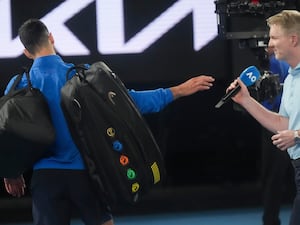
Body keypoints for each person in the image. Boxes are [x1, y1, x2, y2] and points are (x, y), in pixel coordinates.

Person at [3, 19, 215, 225]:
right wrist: (178, 90)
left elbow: (7, 134)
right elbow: (131, 103)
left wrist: (11, 172)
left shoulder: (18, 85)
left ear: (26, 52)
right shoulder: (83, 76)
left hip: (45, 180)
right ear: (51, 37)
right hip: (86, 175)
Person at [226, 10, 300, 225]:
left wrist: (296, 135)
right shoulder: (293, 77)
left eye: (275, 37)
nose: (270, 43)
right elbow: (282, 123)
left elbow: (292, 130)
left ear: (293, 39)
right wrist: (246, 100)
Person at [260, 48, 292, 225]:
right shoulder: (271, 62)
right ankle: (270, 220)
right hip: (275, 124)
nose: (270, 43)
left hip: (289, 124)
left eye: (274, 37)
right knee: (274, 176)